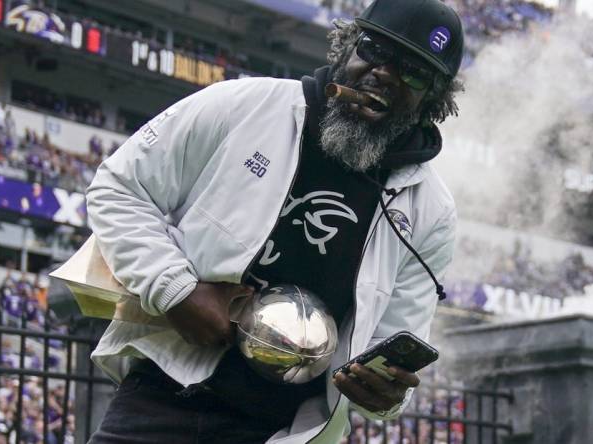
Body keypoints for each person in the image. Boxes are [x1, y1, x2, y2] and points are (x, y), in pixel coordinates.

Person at [86, 0, 464, 442]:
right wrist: (175, 290)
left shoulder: (431, 211)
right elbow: (118, 186)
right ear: (346, 49)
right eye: (375, 50)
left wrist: (387, 392)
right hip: (163, 396)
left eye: (414, 73)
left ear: (432, 101)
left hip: (285, 432)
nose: (384, 74)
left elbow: (392, 346)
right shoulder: (243, 105)